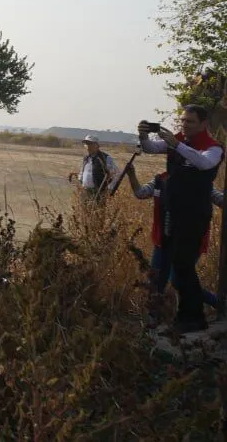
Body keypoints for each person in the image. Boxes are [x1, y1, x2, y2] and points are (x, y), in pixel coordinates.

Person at [138, 106, 225, 333]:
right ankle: (184, 316)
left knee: (184, 266)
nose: (185, 125)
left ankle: (193, 317)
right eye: (183, 121)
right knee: (173, 265)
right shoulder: (176, 140)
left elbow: (204, 163)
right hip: (171, 213)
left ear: (204, 124)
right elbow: (149, 148)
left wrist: (178, 145)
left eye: (191, 122)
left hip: (194, 215)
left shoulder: (213, 148)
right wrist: (144, 134)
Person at [124, 161, 224, 324]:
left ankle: (218, 304)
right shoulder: (159, 180)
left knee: (178, 280)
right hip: (163, 241)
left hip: (188, 243)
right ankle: (154, 321)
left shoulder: (200, 181)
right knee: (156, 281)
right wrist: (132, 175)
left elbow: (220, 200)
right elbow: (140, 193)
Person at [70, 135, 119, 199]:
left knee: (97, 209)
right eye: (86, 144)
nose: (88, 146)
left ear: (97, 145)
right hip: (85, 192)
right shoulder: (86, 158)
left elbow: (116, 174)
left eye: (90, 144)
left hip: (99, 193)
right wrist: (79, 180)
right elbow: (82, 172)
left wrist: (110, 189)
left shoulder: (105, 158)